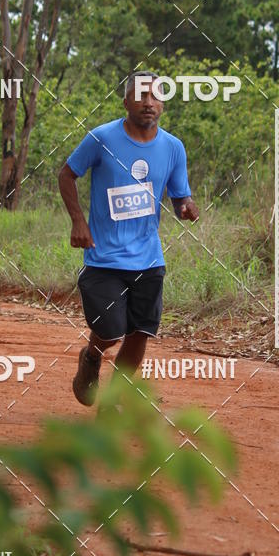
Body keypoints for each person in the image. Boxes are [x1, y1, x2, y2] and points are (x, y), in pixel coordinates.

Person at [58, 71, 199, 406]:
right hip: (103, 257)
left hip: (149, 258)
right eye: (140, 95)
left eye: (155, 96)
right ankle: (92, 355)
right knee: (110, 329)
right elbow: (66, 174)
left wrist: (186, 206)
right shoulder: (102, 138)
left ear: (163, 103)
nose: (148, 102)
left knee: (140, 333)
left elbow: (180, 195)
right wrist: (78, 220)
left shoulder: (173, 147)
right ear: (126, 102)